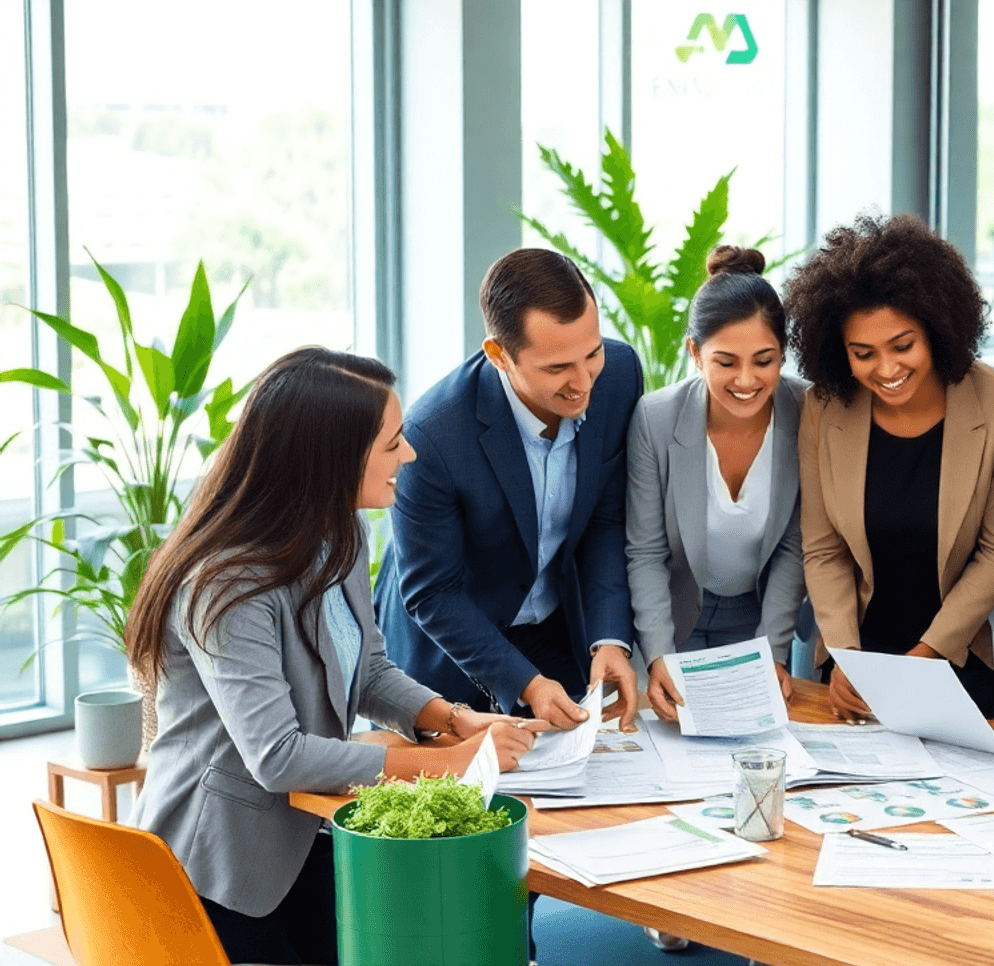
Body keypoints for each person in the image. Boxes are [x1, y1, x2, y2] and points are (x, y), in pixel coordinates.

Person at [129, 348, 544, 965]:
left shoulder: (342, 532)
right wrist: (452, 763)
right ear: (332, 459)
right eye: (392, 443)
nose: (409, 455)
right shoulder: (227, 585)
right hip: (214, 869)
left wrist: (452, 719)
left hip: (300, 836)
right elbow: (278, 756)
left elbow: (369, 670)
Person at [785, 212, 994, 721]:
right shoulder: (824, 408)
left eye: (902, 346)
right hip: (856, 647)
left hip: (965, 644)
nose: (886, 369)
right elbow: (823, 549)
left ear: (937, 328)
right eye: (863, 353)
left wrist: (923, 660)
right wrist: (846, 656)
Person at [377, 248, 642, 732]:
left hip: (556, 634)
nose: (583, 383)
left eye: (592, 353)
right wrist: (526, 682)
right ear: (498, 354)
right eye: (557, 368)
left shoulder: (621, 376)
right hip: (450, 656)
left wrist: (609, 639)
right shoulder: (433, 434)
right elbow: (433, 592)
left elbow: (605, 520)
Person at [626, 245, 806, 723]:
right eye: (725, 362)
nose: (746, 380)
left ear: (783, 354)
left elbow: (794, 545)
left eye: (764, 361)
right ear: (694, 352)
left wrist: (775, 653)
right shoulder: (656, 419)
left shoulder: (809, 412)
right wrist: (658, 656)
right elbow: (644, 551)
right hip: (672, 615)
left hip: (759, 619)